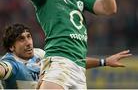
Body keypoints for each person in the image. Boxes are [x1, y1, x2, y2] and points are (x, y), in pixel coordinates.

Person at [0, 23, 132, 89]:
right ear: (12, 47)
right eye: (21, 39)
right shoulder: (10, 63)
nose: (28, 42)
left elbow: (70, 63)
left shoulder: (40, 54)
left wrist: (104, 62)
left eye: (29, 37)